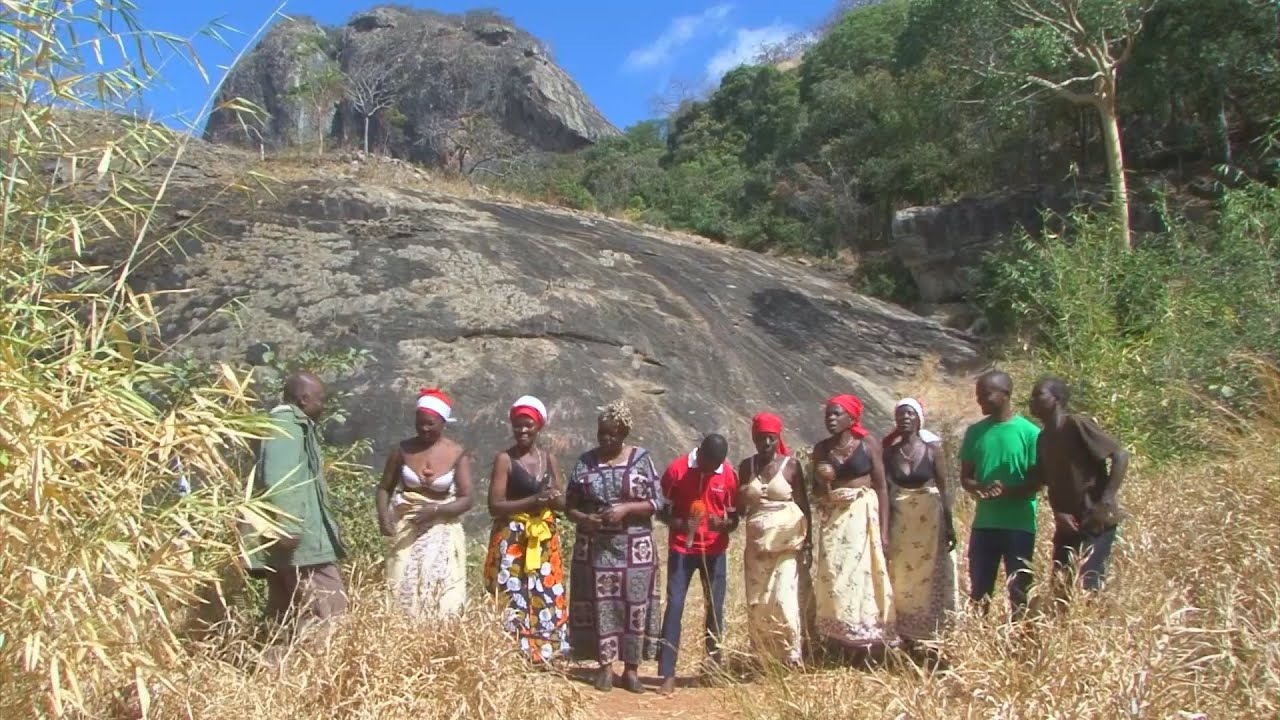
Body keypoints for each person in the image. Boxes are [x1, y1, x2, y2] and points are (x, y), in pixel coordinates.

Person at [565, 401, 663, 693]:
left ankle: (631, 669)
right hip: (595, 547)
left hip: (635, 548)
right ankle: (604, 666)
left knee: (634, 604)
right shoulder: (586, 461)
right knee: (601, 604)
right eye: (601, 434)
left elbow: (657, 502)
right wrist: (586, 518)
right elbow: (569, 505)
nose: (605, 440)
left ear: (624, 434)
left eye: (612, 435)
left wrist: (626, 509)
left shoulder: (641, 459)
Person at [242, 371, 347, 643]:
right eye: (320, 400)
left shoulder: (288, 425)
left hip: (288, 540)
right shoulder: (287, 426)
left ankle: (276, 676)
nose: (322, 407)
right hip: (301, 544)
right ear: (303, 400)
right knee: (328, 610)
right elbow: (279, 477)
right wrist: (287, 526)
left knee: (284, 616)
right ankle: (321, 677)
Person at [483, 395, 571, 664]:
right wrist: (533, 501)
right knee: (513, 594)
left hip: (543, 540)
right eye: (518, 425)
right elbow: (495, 505)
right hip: (511, 540)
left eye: (528, 425)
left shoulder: (549, 459)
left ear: (538, 427)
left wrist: (554, 499)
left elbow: (563, 501)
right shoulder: (505, 460)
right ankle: (511, 654)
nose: (522, 430)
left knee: (545, 593)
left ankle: (546, 653)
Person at [376, 388, 474, 619]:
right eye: (420, 423)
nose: (424, 428)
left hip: (441, 532)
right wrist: (383, 516)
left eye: (430, 424)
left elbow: (467, 498)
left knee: (440, 593)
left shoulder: (456, 453)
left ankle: (436, 640)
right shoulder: (402, 450)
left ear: (443, 422)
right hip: (407, 529)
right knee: (403, 588)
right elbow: (384, 488)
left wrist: (437, 510)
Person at [1027, 377, 1130, 596]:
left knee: (1088, 582)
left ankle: (1096, 626)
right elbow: (1048, 480)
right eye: (1032, 396)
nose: (1032, 401)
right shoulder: (1044, 438)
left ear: (1057, 399)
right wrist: (1059, 514)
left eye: (1039, 395)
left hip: (1095, 517)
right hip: (1068, 523)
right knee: (1061, 584)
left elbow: (1120, 455)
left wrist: (1106, 500)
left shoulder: (1075, 424)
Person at [810, 394, 895, 656]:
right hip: (835, 517)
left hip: (862, 514)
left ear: (851, 418)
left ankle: (867, 640)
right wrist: (824, 480)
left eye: (837, 414)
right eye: (828, 415)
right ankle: (840, 639)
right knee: (835, 576)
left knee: (863, 577)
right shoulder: (821, 450)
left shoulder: (867, 444)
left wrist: (883, 532)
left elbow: (881, 487)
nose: (831, 419)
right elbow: (816, 492)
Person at [657, 433, 739, 694]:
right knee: (675, 606)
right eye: (708, 463)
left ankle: (712, 669)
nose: (711, 469)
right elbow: (661, 510)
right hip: (682, 548)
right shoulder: (677, 470)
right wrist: (679, 524)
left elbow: (735, 518)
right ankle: (667, 673)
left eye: (717, 465)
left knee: (715, 608)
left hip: (714, 550)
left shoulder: (727, 475)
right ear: (700, 452)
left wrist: (724, 525)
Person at [959, 371, 1040, 619]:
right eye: (978, 395)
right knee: (979, 590)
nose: (980, 401)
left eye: (986, 395)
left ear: (1005, 395)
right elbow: (966, 477)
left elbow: (1037, 481)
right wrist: (978, 488)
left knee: (1018, 590)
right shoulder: (975, 432)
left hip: (1020, 526)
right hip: (984, 525)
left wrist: (1008, 490)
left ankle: (1018, 644)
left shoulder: (1029, 433)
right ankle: (977, 645)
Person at [882, 398, 958, 647]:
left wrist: (949, 524)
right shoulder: (890, 453)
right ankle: (905, 632)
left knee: (929, 572)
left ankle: (931, 631)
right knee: (903, 574)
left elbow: (944, 486)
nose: (904, 418)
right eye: (900, 414)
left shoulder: (932, 449)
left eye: (909, 414)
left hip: (929, 517)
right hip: (902, 516)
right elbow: (883, 488)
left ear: (918, 419)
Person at [738, 412, 810, 668]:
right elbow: (739, 508)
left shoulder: (791, 466)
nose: (765, 444)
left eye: (770, 439)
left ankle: (791, 655)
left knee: (784, 599)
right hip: (757, 546)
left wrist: (807, 543)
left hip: (786, 544)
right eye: (760, 439)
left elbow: (802, 504)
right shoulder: (747, 466)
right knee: (758, 601)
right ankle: (763, 657)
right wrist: (743, 496)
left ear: (777, 437)